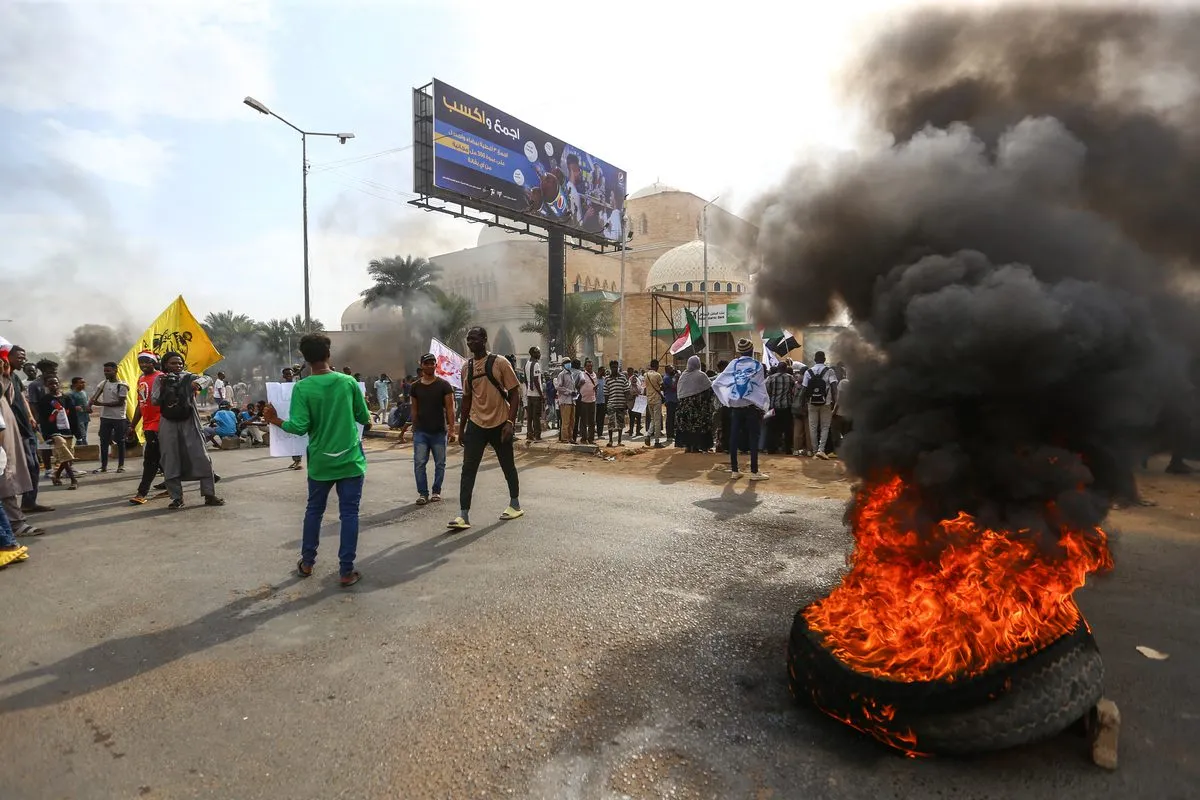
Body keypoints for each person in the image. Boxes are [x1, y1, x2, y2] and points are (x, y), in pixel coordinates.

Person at [263, 334, 369, 586]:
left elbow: (299, 427)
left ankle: (308, 563)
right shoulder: (348, 382)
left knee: (314, 511)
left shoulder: (302, 387)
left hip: (321, 462)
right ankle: (346, 571)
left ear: (305, 358)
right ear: (328, 354)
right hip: (351, 459)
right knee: (350, 514)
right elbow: (364, 417)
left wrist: (274, 419)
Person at [449, 326, 522, 531]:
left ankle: (515, 504)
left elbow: (515, 393)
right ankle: (463, 514)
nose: (470, 343)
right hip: (476, 424)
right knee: (468, 469)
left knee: (507, 465)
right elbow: (467, 399)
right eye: (468, 340)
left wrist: (510, 422)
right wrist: (461, 427)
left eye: (473, 339)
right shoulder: (467, 367)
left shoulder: (500, 362)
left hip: (500, 423)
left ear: (484, 339)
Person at [153, 351, 224, 509]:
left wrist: (197, 384)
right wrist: (167, 387)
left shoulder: (189, 376)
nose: (177, 366)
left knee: (201, 457)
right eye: (173, 363)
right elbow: (154, 401)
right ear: (165, 365)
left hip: (190, 421)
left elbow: (208, 378)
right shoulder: (160, 379)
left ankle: (209, 495)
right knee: (170, 459)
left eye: (179, 363)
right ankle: (177, 498)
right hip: (168, 422)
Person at [713, 339, 770, 481]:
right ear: (751, 351)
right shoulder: (757, 366)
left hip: (736, 408)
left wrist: (727, 399)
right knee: (753, 438)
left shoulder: (733, 364)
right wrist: (763, 403)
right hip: (751, 408)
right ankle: (754, 472)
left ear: (739, 351)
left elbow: (717, 382)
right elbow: (759, 387)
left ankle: (734, 470)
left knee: (734, 438)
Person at [6, 347, 52, 514]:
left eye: (24, 357)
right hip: (14, 430)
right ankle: (21, 505)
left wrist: (31, 417)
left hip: (26, 427)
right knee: (24, 467)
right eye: (19, 357)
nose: (23, 360)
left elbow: (23, 399)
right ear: (7, 356)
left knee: (33, 466)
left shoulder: (15, 377)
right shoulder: (4, 377)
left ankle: (29, 502)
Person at [0, 351, 40, 537]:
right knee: (6, 477)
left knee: (12, 475)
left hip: (14, 430)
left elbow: (14, 399)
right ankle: (15, 524)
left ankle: (16, 521)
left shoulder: (11, 378)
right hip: (5, 436)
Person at [410, 352, 456, 505]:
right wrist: (414, 428)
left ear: (436, 365)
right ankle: (423, 493)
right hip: (421, 432)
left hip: (438, 431)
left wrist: (452, 429)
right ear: (421, 365)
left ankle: (436, 491)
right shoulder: (415, 387)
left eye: (432, 363)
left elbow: (450, 408)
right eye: (427, 363)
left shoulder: (444, 385)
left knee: (440, 463)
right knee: (419, 463)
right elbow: (414, 409)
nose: (430, 366)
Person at [128, 351, 167, 505]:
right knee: (162, 458)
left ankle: (141, 492)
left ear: (154, 363)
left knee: (150, 459)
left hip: (160, 424)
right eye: (141, 362)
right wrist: (132, 426)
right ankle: (171, 485)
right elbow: (140, 403)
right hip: (148, 424)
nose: (143, 365)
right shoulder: (141, 379)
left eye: (147, 362)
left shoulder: (161, 377)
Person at [36, 375, 84, 489]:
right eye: (50, 383)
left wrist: (78, 434)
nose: (53, 385)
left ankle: (56, 475)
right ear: (47, 386)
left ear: (59, 384)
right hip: (54, 432)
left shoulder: (66, 399)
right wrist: (46, 435)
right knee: (63, 450)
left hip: (67, 430)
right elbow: (43, 419)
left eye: (55, 383)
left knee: (66, 455)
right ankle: (73, 480)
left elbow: (73, 417)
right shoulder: (45, 400)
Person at [91, 361, 130, 474]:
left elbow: (120, 403)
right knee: (103, 441)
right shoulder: (103, 383)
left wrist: (101, 404)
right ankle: (103, 466)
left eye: (108, 371)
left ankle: (121, 465)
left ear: (115, 370)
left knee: (120, 441)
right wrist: (89, 405)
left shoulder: (122, 385)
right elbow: (95, 397)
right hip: (105, 417)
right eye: (105, 371)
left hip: (119, 417)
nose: (106, 373)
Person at [800, 351, 839, 460]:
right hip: (826, 403)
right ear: (824, 359)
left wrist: (802, 404)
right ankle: (821, 450)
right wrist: (836, 402)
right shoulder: (830, 371)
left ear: (815, 359)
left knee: (812, 427)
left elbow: (804, 389)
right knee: (825, 427)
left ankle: (814, 450)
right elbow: (834, 388)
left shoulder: (808, 372)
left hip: (811, 403)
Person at [674, 356, 715, 453]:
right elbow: (710, 388)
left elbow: (680, 392)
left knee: (687, 427)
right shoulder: (700, 375)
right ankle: (696, 447)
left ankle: (688, 446)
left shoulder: (683, 375)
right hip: (697, 408)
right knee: (698, 426)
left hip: (683, 407)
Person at [765, 364, 796, 454]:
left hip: (773, 407)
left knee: (771, 428)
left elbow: (767, 391)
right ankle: (787, 449)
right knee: (787, 429)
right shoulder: (790, 378)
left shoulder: (770, 378)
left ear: (778, 368)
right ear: (785, 369)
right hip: (786, 407)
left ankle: (771, 448)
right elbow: (794, 390)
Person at [282, 367, 304, 470]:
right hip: (287, 415)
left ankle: (298, 461)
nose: (289, 376)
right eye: (286, 374)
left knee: (298, 438)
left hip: (298, 415)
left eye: (290, 374)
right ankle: (296, 460)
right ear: (283, 376)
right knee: (292, 440)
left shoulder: (298, 385)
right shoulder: (281, 387)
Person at [605, 360, 630, 447]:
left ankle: (619, 441)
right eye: (613, 367)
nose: (614, 369)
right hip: (611, 403)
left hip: (621, 403)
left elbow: (626, 391)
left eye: (616, 367)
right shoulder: (607, 379)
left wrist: (626, 403)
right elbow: (606, 393)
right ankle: (610, 441)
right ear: (610, 368)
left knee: (621, 423)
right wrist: (606, 406)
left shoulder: (623, 377)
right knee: (611, 422)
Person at [576, 359, 599, 444]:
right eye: (588, 366)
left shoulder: (594, 375)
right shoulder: (582, 374)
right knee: (583, 421)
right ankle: (584, 438)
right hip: (583, 401)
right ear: (585, 367)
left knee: (592, 421)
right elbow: (577, 385)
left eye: (591, 366)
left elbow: (596, 386)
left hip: (592, 401)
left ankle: (591, 438)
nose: (590, 367)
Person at [555, 357, 577, 444]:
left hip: (572, 401)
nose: (569, 364)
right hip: (565, 401)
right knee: (566, 421)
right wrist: (569, 392)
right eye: (567, 362)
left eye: (569, 362)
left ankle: (570, 437)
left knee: (572, 421)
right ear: (563, 365)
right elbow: (558, 387)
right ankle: (565, 438)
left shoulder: (571, 374)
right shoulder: (562, 374)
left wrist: (574, 392)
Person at [644, 359, 665, 448]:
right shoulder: (657, 375)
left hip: (649, 399)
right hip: (656, 399)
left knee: (653, 419)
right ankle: (657, 441)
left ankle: (648, 434)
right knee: (657, 421)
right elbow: (662, 386)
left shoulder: (646, 374)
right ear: (656, 366)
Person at [525, 346, 544, 441]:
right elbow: (536, 380)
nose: (540, 354)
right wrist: (541, 394)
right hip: (536, 395)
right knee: (536, 416)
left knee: (530, 416)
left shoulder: (527, 363)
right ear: (534, 353)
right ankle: (537, 435)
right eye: (538, 352)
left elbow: (526, 379)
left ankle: (529, 433)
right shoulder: (536, 364)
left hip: (529, 393)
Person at [66, 377, 90, 446]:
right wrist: (76, 408)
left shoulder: (84, 393)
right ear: (75, 384)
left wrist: (88, 408)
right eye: (81, 383)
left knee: (83, 435)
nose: (83, 384)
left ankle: (78, 450)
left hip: (85, 417)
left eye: (84, 382)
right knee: (82, 436)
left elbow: (86, 403)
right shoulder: (70, 394)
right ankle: (85, 451)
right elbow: (69, 407)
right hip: (77, 418)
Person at [663, 364, 679, 442]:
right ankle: (669, 434)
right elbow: (673, 387)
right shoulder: (666, 378)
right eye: (671, 369)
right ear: (667, 370)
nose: (673, 370)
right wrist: (676, 377)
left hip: (675, 399)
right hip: (670, 400)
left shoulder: (672, 377)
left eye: (673, 368)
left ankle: (672, 433)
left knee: (674, 418)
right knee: (670, 418)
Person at [595, 366, 607, 439]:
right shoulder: (595, 380)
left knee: (601, 419)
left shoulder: (605, 380)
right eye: (603, 371)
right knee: (596, 418)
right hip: (595, 402)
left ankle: (600, 433)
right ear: (599, 371)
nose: (604, 372)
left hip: (603, 402)